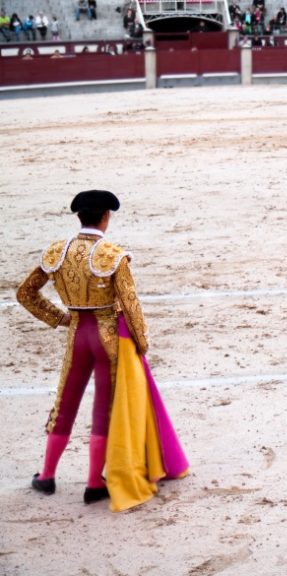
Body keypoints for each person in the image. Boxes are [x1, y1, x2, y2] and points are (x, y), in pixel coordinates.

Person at [17, 190, 189, 510]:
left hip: (77, 335)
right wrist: (141, 342)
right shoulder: (112, 255)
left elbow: (25, 294)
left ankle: (47, 476)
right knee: (103, 409)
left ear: (79, 216)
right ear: (106, 216)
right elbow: (131, 305)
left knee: (65, 402)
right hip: (107, 338)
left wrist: (60, 318)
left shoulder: (57, 252)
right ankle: (94, 484)